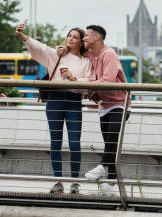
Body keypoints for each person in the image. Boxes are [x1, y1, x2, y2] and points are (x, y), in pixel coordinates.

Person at [16, 23, 93, 195]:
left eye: (75, 37)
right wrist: (22, 35)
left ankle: (75, 182)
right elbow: (39, 47)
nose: (70, 39)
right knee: (55, 142)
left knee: (75, 143)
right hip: (54, 100)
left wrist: (74, 79)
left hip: (74, 101)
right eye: (69, 36)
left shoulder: (86, 62)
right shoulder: (55, 54)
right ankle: (58, 182)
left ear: (81, 42)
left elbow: (90, 83)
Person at [78, 25, 131, 195]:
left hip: (120, 103)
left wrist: (82, 84)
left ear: (97, 38)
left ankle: (103, 166)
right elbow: (73, 49)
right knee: (111, 144)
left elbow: (107, 79)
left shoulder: (109, 54)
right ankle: (112, 184)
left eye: (86, 36)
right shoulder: (91, 54)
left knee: (112, 139)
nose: (84, 38)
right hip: (104, 105)